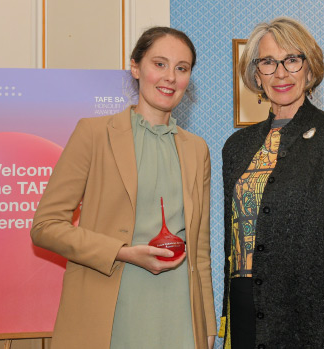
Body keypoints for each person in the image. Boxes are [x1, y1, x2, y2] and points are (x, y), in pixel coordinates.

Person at [31, 27, 216, 349]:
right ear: (135, 67)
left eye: (181, 68)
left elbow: (199, 248)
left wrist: (207, 322)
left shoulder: (197, 149)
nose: (170, 77)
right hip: (111, 308)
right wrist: (120, 252)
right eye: (159, 64)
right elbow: (45, 227)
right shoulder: (93, 134)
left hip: (180, 313)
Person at [220, 17, 324, 348]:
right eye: (268, 62)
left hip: (311, 316)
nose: (280, 73)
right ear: (256, 74)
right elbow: (232, 242)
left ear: (309, 67)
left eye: (291, 59)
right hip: (246, 307)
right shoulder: (237, 147)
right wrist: (226, 313)